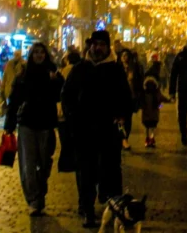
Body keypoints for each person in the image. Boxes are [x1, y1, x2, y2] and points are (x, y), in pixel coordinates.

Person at [62, 29, 134, 228]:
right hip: (84, 129)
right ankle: (87, 209)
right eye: (95, 44)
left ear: (107, 47)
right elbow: (67, 95)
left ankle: (114, 207)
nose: (97, 47)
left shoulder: (115, 70)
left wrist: (122, 122)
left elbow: (126, 100)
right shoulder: (79, 69)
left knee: (110, 170)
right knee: (85, 171)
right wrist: (72, 118)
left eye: (101, 44)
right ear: (90, 46)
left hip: (107, 130)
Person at [7, 41, 64, 216]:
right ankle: (33, 199)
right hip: (27, 124)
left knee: (44, 164)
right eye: (36, 52)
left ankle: (40, 190)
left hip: (46, 124)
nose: (39, 55)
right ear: (31, 55)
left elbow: (60, 95)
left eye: (42, 52)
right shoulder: (24, 75)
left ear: (46, 55)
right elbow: (14, 100)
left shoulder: (53, 74)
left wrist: (57, 81)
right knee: (28, 165)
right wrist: (9, 125)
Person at [120, 49, 144, 149]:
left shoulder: (133, 68)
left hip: (130, 96)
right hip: (119, 97)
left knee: (128, 119)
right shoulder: (117, 68)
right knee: (120, 119)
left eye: (126, 56)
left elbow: (139, 80)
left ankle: (126, 138)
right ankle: (123, 139)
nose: (125, 57)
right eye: (123, 55)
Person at [141, 74, 172, 147]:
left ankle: (147, 139)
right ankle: (152, 139)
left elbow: (140, 104)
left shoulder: (144, 94)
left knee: (147, 128)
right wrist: (160, 107)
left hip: (145, 116)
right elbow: (164, 99)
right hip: (154, 116)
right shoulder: (157, 93)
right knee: (153, 128)